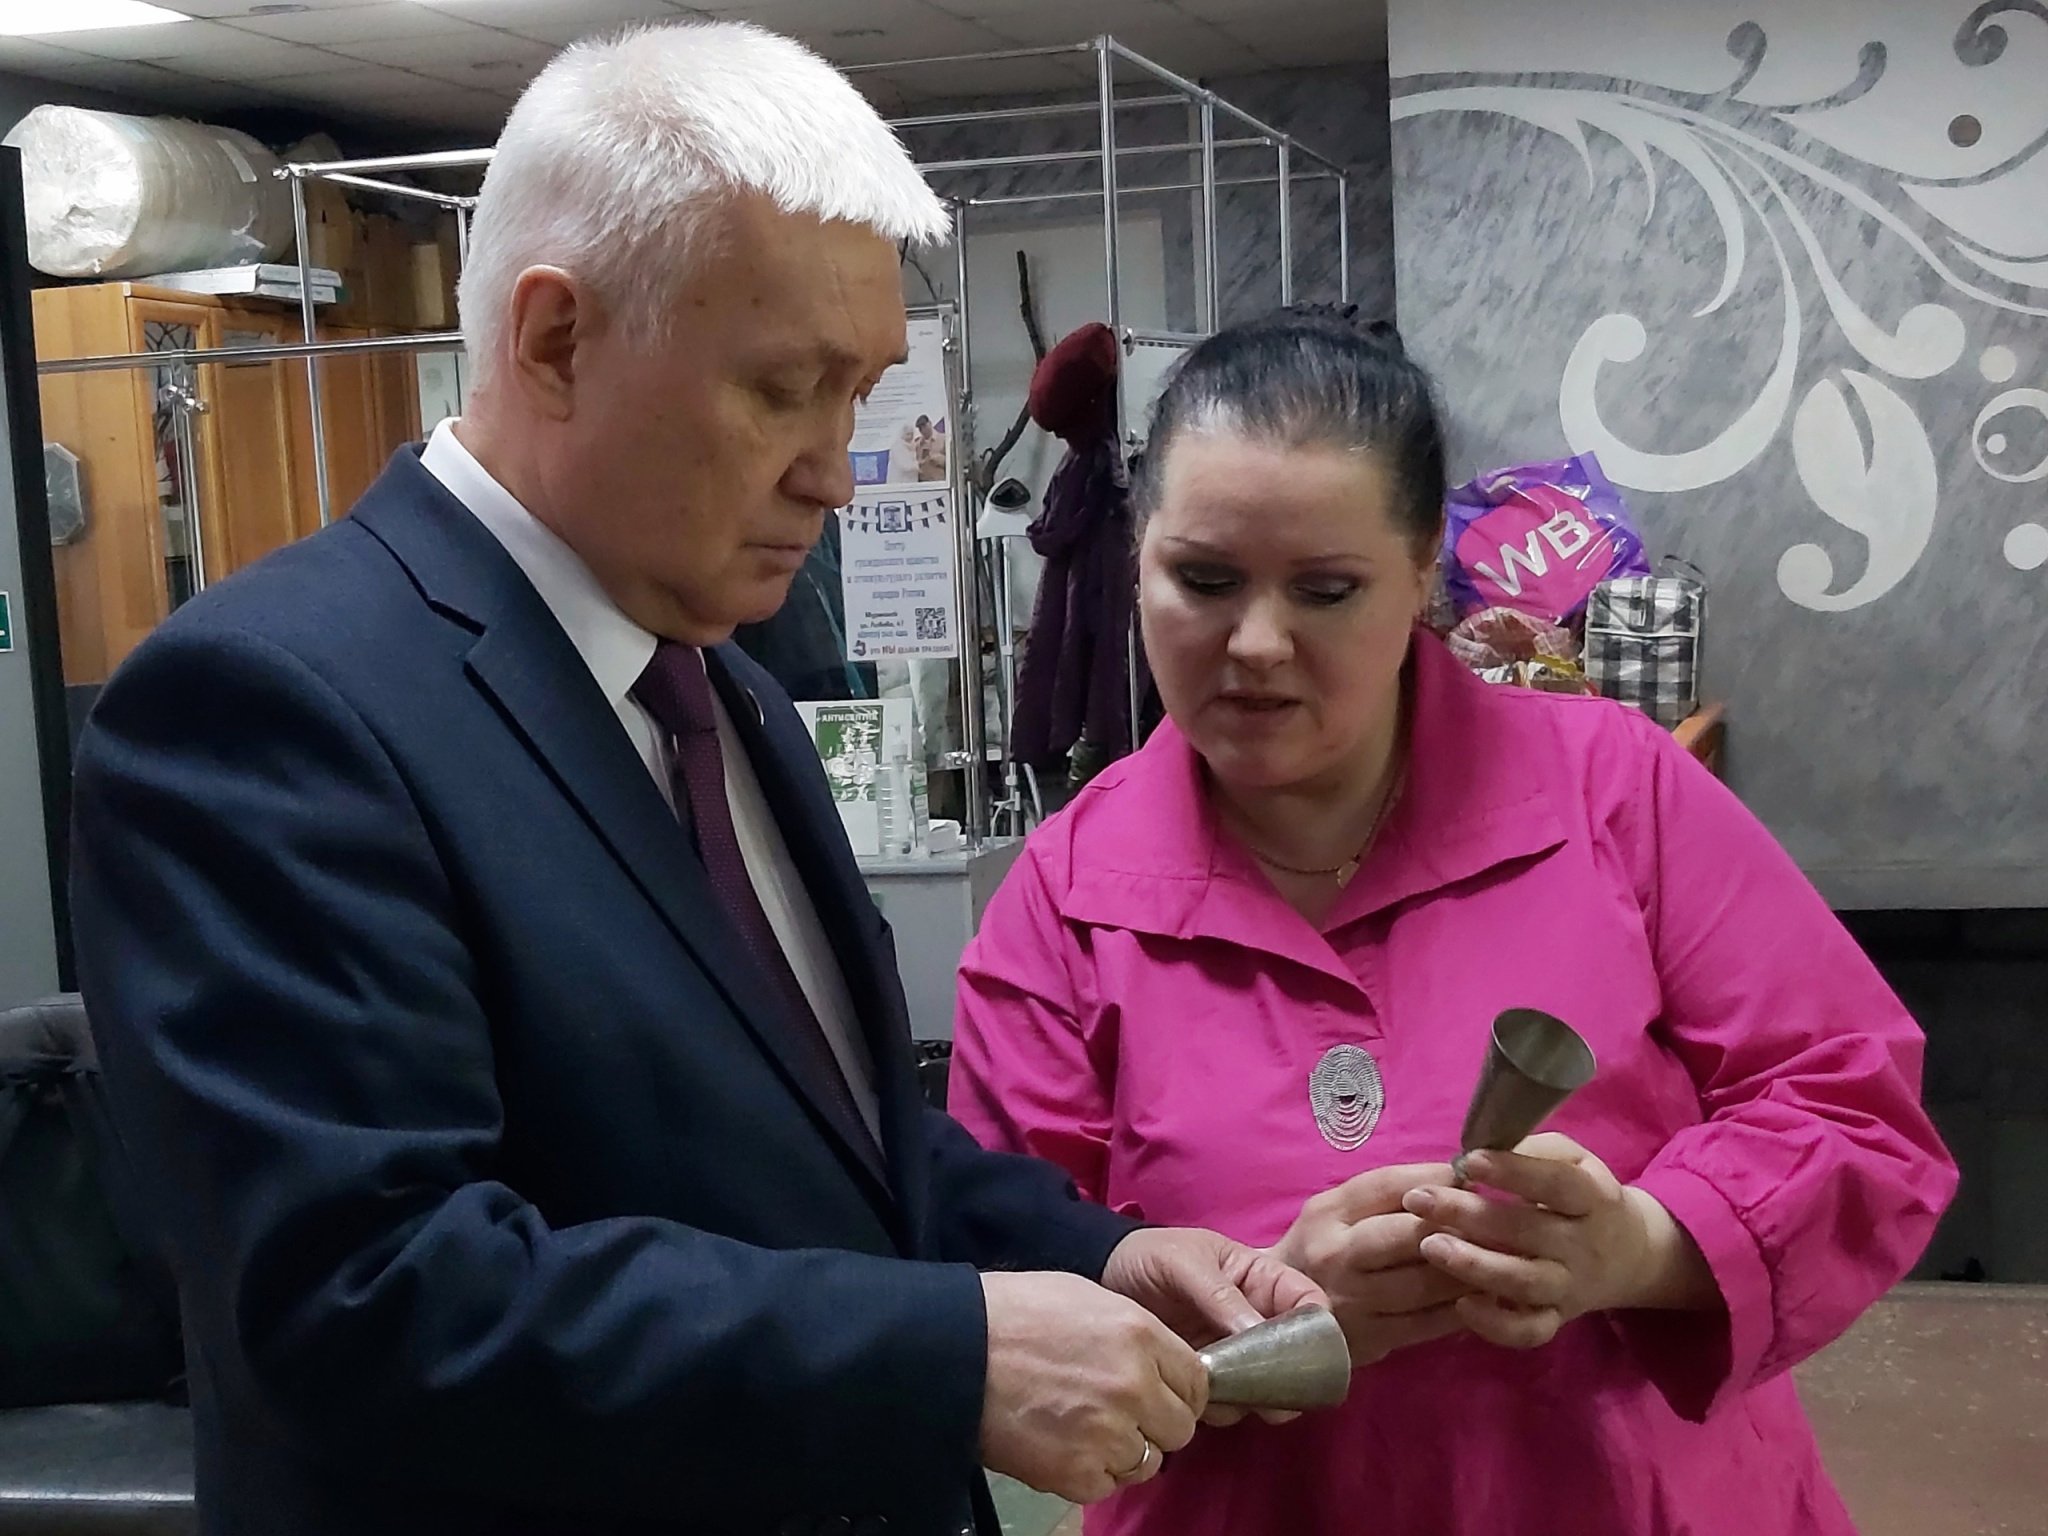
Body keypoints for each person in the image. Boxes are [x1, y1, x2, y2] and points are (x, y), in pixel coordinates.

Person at [67, 26, 1321, 1536]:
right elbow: (366, 1296)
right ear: (554, 340)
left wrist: (1095, 1254)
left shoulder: (720, 689)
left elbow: (823, 1136)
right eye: (784, 389)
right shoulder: (271, 708)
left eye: (857, 394)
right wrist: (943, 1354)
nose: (835, 471)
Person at [948, 305, 1958, 1536]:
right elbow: (1008, 1277)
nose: (1254, 644)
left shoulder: (1610, 796)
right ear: (1137, 557)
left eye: (1325, 591)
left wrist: (1640, 1244)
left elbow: (1850, 1106)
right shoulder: (1067, 899)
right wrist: (1260, 1311)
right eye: (1202, 581)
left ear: (1423, 567)